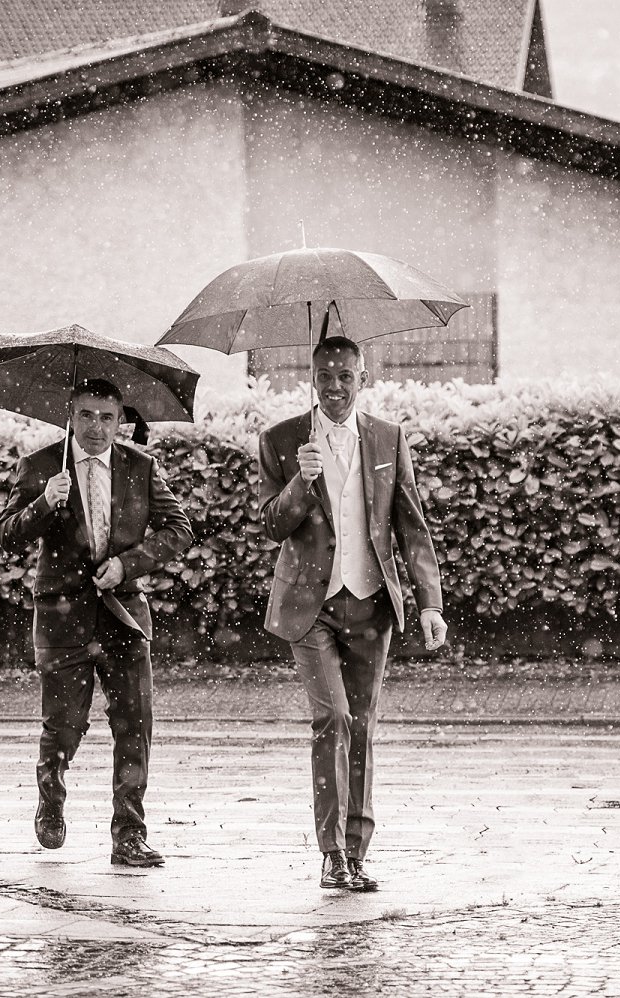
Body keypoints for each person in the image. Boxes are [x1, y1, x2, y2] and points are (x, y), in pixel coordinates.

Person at [257, 335, 448, 892]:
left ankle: (357, 853)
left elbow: (411, 525)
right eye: (325, 375)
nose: (335, 386)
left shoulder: (388, 438)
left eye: (345, 375)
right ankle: (332, 851)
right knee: (333, 718)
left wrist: (429, 602)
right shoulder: (282, 439)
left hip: (370, 602)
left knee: (362, 727)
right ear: (311, 377)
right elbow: (271, 524)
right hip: (308, 605)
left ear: (363, 377)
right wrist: (301, 480)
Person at [0, 378, 192, 867]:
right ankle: (51, 797)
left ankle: (129, 832)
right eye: (86, 415)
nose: (97, 427)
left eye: (107, 417)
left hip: (123, 614)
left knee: (135, 724)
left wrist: (130, 563)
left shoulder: (140, 467)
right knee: (64, 726)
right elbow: (6, 535)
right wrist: (44, 504)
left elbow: (179, 527)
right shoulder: (42, 466)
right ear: (70, 414)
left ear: (119, 418)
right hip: (62, 618)